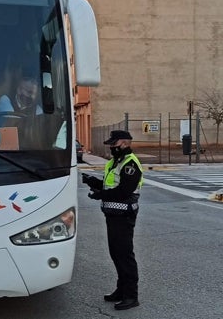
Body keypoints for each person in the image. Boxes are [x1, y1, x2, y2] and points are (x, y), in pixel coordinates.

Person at [81, 129, 143, 311]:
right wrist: (93, 182)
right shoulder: (115, 162)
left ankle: (131, 296)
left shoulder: (130, 164)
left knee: (125, 256)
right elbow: (111, 185)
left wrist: (101, 195)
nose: (111, 148)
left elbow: (124, 191)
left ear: (124, 143)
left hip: (124, 216)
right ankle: (121, 290)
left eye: (113, 144)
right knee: (116, 254)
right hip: (113, 216)